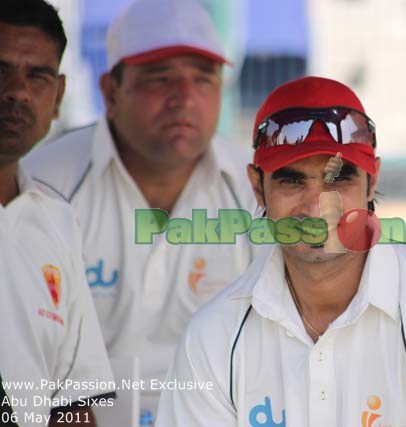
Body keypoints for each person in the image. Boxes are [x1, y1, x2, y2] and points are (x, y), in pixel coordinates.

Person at [156, 77, 406, 426]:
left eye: (340, 177)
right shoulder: (213, 337)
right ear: (257, 187)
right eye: (291, 179)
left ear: (371, 182)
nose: (317, 206)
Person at [23, 0, 255, 421]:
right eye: (160, 79)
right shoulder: (43, 186)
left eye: (203, 79)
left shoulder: (256, 191)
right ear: (111, 91)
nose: (183, 99)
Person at [0, 1, 114, 426]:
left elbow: (71, 401)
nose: (16, 91)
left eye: (38, 76)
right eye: (1, 70)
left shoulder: (57, 221)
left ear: (59, 97)